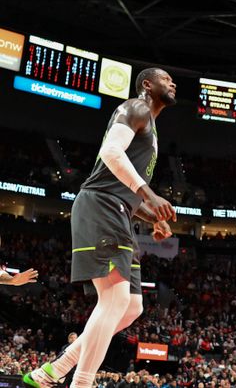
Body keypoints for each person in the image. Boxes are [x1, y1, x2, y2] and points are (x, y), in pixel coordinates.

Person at [24, 68, 177, 388]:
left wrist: (152, 218)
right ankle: (81, 383)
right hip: (100, 206)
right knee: (115, 300)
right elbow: (110, 153)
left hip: (118, 211)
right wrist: (148, 193)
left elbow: (122, 186)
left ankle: (54, 370)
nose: (172, 82)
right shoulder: (136, 107)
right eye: (165, 78)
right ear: (147, 85)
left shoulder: (153, 129)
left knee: (132, 306)